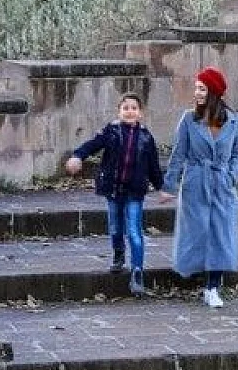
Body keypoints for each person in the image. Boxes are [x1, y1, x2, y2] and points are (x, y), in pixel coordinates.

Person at [64, 93, 164, 297]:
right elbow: (92, 145)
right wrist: (77, 156)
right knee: (116, 227)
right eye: (125, 108)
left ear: (140, 113)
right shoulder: (111, 132)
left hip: (134, 191)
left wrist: (162, 187)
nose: (130, 111)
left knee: (135, 231)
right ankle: (119, 254)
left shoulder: (146, 137)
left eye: (134, 108)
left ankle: (137, 270)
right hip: (113, 189)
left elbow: (153, 166)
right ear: (119, 112)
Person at [161, 66, 238, 308]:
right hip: (196, 182)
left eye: (202, 89)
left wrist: (231, 175)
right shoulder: (189, 119)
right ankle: (197, 276)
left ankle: (212, 287)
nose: (196, 93)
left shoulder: (234, 120)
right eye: (196, 88)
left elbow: (237, 153)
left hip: (222, 184)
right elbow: (178, 155)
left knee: (221, 234)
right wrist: (169, 186)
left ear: (214, 92)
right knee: (198, 233)